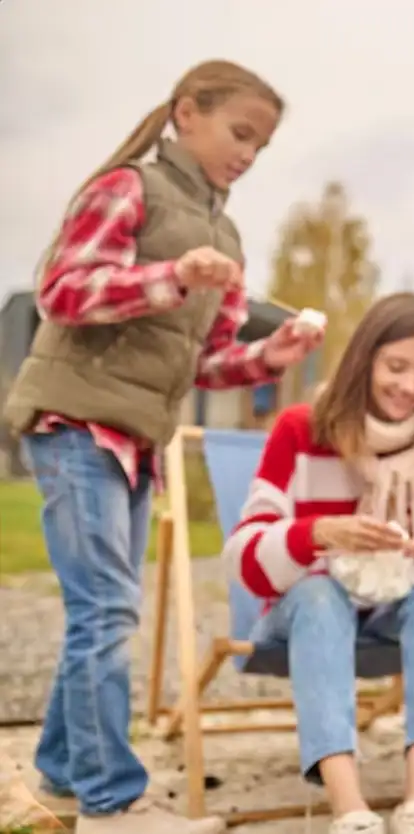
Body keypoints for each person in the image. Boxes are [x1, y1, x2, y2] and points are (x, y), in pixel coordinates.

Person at [2, 60, 320, 834]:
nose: (247, 154)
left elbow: (201, 359)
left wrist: (267, 357)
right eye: (239, 133)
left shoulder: (225, 232)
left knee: (103, 612)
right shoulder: (128, 189)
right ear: (187, 114)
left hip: (138, 438)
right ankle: (113, 803)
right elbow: (62, 292)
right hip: (76, 423)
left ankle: (57, 775)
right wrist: (171, 273)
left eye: (261, 146)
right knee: (106, 609)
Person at [221, 292, 414, 834]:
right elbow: (244, 560)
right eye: (396, 367)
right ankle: (349, 807)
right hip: (301, 614)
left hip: (392, 611)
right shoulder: (300, 430)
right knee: (318, 592)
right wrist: (316, 534)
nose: (410, 387)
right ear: (365, 359)